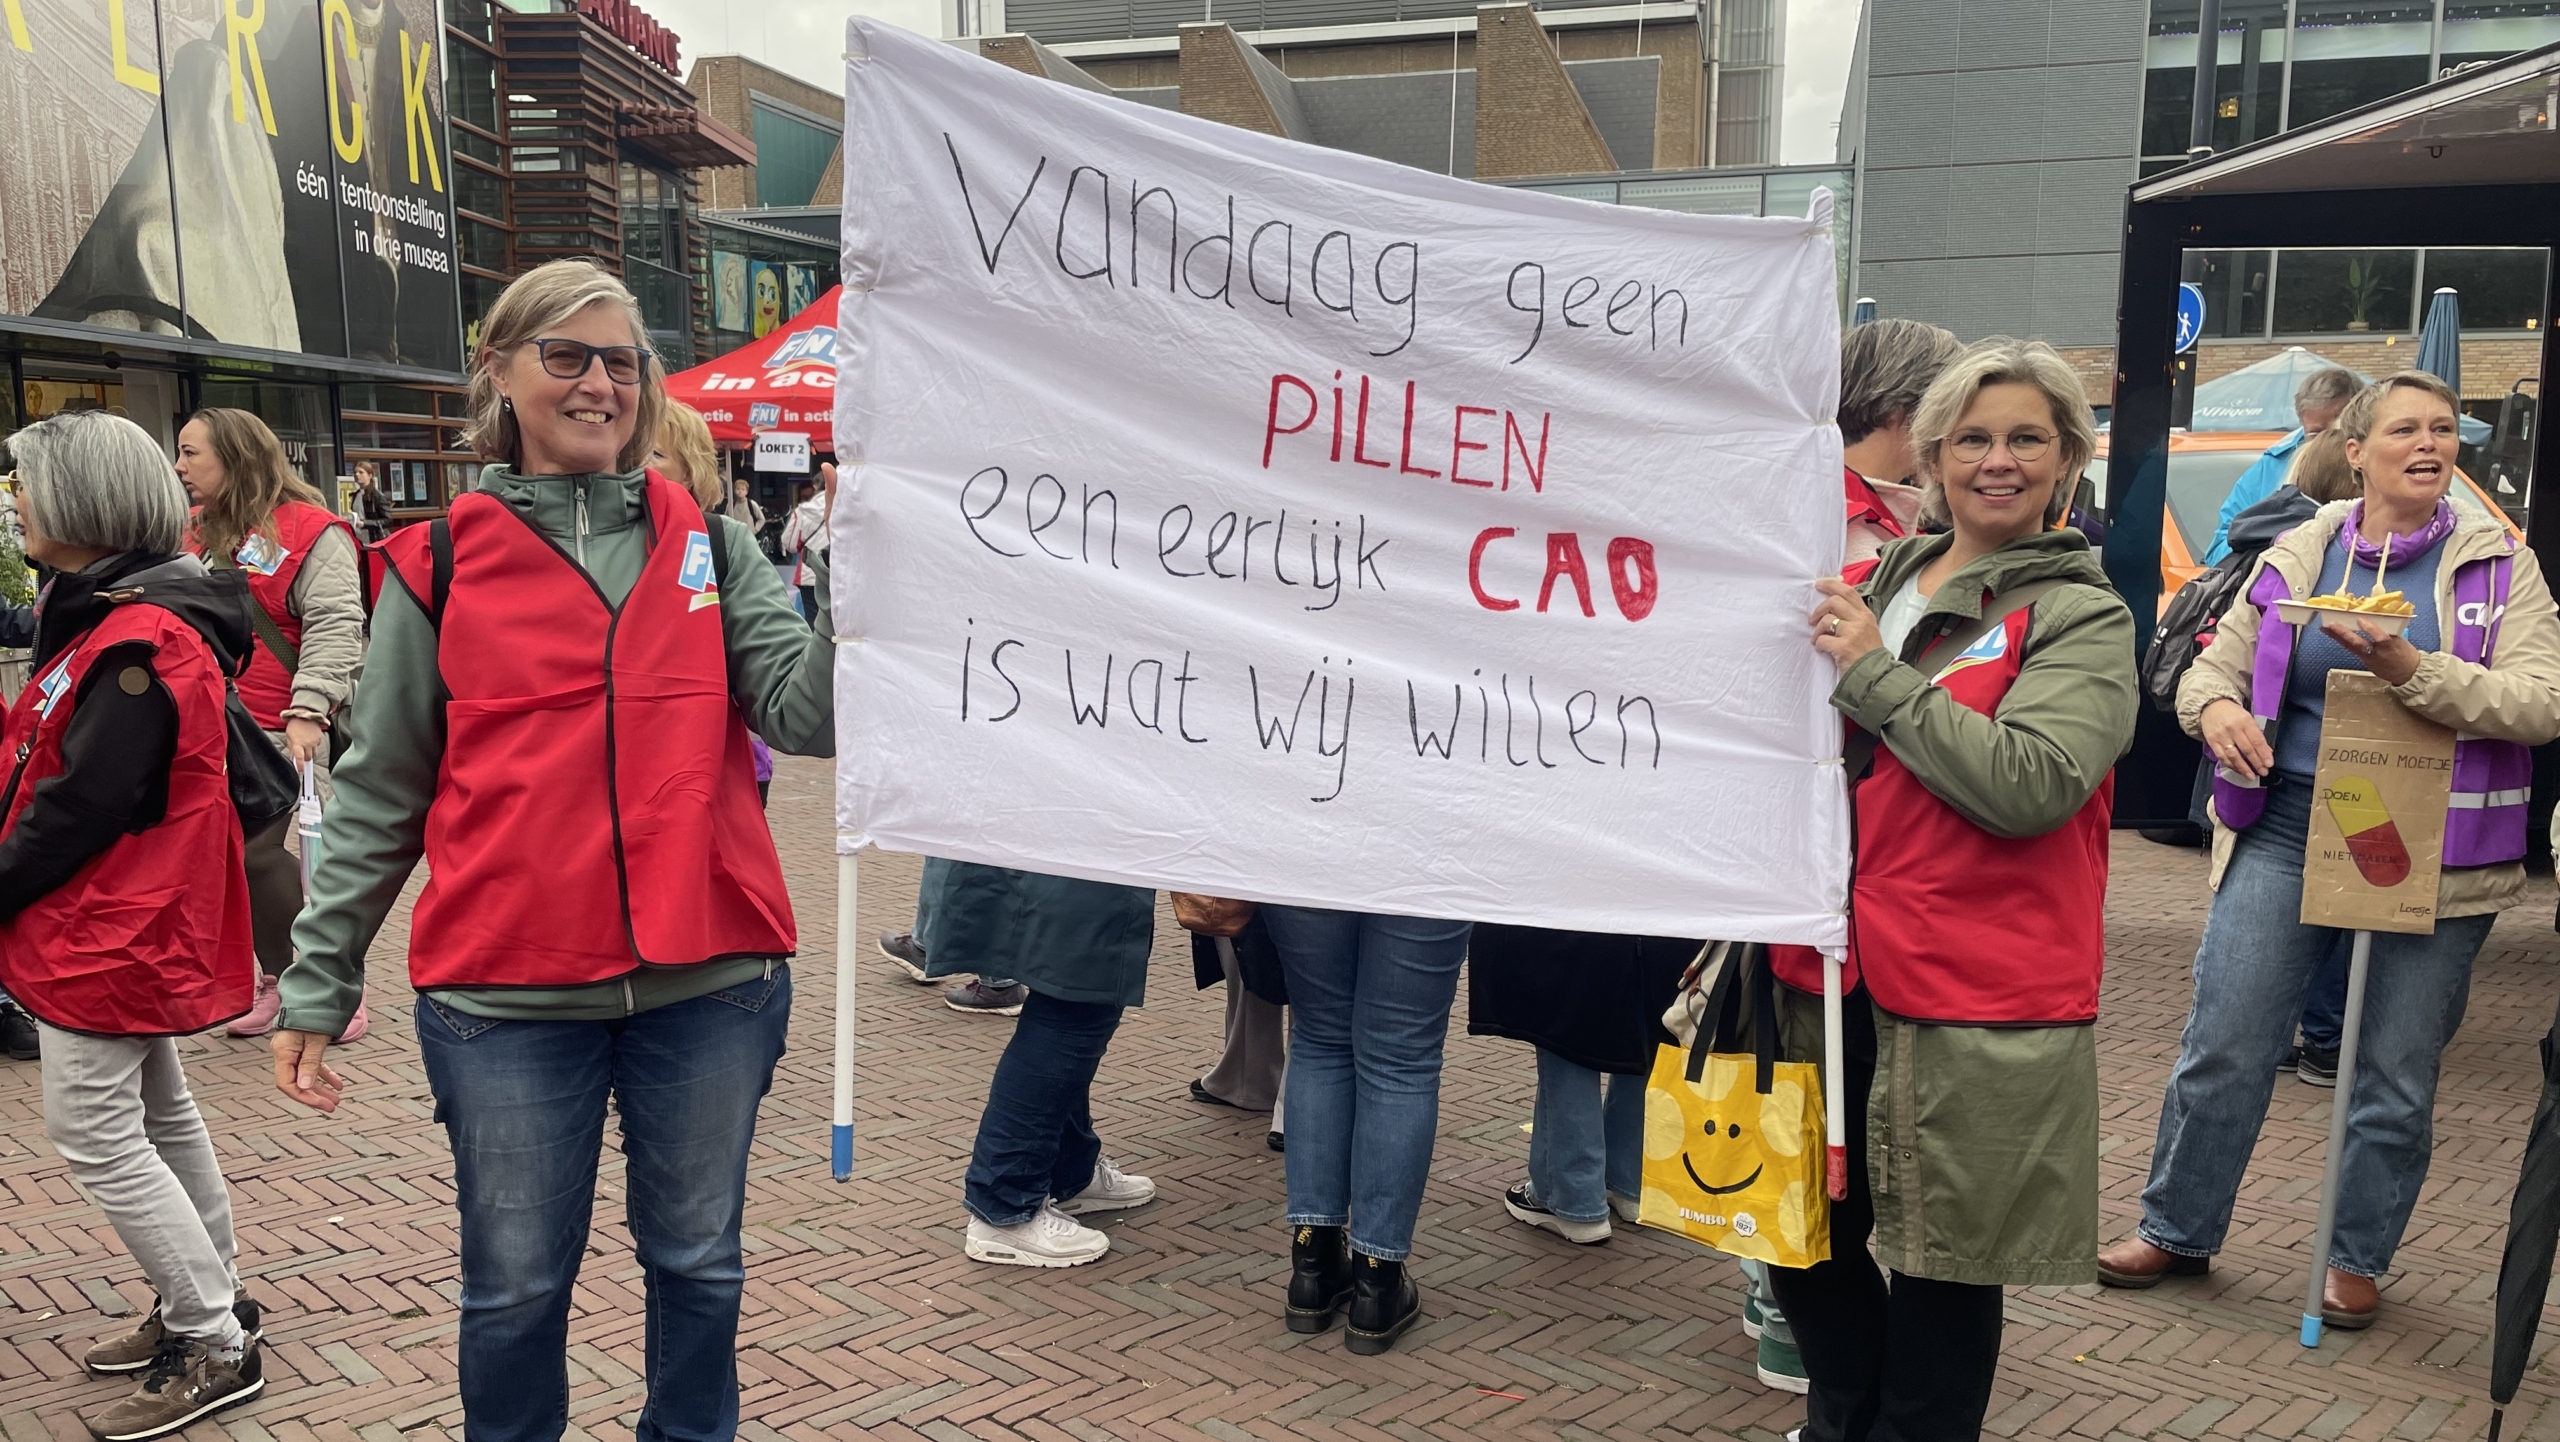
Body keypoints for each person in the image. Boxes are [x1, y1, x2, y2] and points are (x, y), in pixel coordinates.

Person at [271, 259, 838, 1442]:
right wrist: (319, 980)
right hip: (507, 993)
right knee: (517, 1286)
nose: (598, 383)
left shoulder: (712, 545)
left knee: (700, 1263)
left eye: (620, 360)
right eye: (566, 356)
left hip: (710, 981)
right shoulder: (433, 566)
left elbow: (805, 716)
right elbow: (380, 794)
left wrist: (861, 594)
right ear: (502, 371)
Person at [2100, 372, 2560, 1331]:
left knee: (2395, 1067)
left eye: (2443, 430)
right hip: (2287, 820)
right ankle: (2178, 1228)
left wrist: (2416, 671)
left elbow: (2541, 704)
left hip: (2433, 838)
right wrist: (2218, 709)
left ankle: (2354, 1259)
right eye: (2405, 429)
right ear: (2357, 450)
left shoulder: (2500, 562)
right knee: (2226, 1040)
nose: (2429, 444)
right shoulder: (2303, 549)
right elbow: (2210, 669)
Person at [1777, 338, 2137, 1438]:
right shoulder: (1875, 578)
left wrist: (1871, 677)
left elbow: (2031, 783)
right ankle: (1846, 1418)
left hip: (1972, 990)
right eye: (1972, 438)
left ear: (2068, 456)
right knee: (1801, 1237)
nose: (1996, 459)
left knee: (1942, 1263)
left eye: (2026, 437)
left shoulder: (2085, 616)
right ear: (1930, 454)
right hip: (1823, 963)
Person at [0, 410, 266, 1440]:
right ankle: (207, 1299)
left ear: (82, 499)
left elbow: (77, 805)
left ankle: (212, 1335)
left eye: (28, 482)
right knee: (157, 1112)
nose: (17, 501)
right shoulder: (128, 617)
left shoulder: (137, 634)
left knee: (98, 1129)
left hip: (109, 924)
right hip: (117, 919)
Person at [176, 408, 370, 1046]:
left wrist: (310, 708)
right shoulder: (197, 535)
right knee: (237, 858)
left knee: (259, 854)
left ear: (235, 456)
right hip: (215, 728)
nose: (179, 468)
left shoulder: (312, 531)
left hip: (278, 726)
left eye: (191, 453)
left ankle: (328, 985)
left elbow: (337, 623)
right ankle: (277, 981)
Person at [1212, 897, 1473, 1355]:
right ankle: (1377, 1283)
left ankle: (1312, 1269)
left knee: (1319, 1036)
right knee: (1401, 1057)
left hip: (1311, 846)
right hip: (1431, 854)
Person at [938, 863, 1159, 1267]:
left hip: (1068, 860)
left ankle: (1068, 1172)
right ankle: (1005, 1207)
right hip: (1086, 861)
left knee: (1070, 1002)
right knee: (1074, 1011)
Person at [655, 403, 776, 807]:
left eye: (654, 454)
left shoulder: (718, 545)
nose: (636, 466)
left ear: (690, 470)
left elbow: (780, 693)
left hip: (713, 771)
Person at [2202, 366, 2359, 564]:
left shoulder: (2377, 467)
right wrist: (2276, 547)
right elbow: (2219, 551)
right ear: (2302, 423)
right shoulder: (2269, 468)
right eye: (2316, 433)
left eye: (2337, 430)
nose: (2325, 443)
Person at [1840, 319, 1963, 566]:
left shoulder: (1822, 506)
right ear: (1899, 410)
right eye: (1951, 410)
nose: (1958, 427)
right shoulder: (1858, 541)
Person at [782, 480, 830, 631]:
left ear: (817, 488)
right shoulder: (847, 507)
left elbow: (789, 543)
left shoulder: (802, 511)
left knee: (813, 622)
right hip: (837, 575)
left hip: (809, 574)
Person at [350, 460, 393, 543]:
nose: (356, 475)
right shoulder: (356, 495)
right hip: (358, 537)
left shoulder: (377, 496)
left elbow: (388, 520)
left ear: (370, 475)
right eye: (355, 472)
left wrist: (366, 523)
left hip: (374, 538)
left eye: (361, 472)